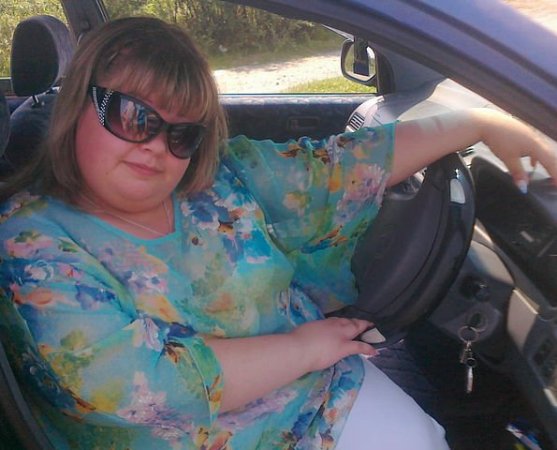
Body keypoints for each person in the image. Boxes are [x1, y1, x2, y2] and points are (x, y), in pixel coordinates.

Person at [0, 16, 555, 450]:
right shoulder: (31, 243)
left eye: (182, 133)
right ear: (79, 104)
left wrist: (479, 123)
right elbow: (140, 387)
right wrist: (303, 347)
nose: (156, 147)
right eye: (134, 116)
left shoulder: (220, 179)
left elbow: (341, 167)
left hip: (318, 395)